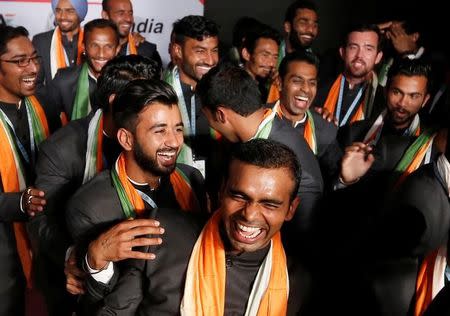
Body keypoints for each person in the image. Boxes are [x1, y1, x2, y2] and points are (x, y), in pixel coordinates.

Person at [81, 139, 309, 315]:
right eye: (238, 196)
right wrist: (95, 262)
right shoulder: (161, 234)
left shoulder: (295, 281)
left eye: (269, 204)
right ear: (221, 192)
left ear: (290, 209)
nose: (249, 214)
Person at [28, 54, 160, 316]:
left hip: (139, 269)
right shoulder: (61, 149)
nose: (154, 107)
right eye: (142, 100)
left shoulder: (157, 138)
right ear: (114, 102)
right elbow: (40, 219)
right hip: (75, 274)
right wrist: (73, 256)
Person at [65, 79, 207, 314]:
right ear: (126, 139)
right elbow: (89, 302)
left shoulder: (191, 179)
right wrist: (96, 260)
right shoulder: (89, 206)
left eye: (178, 129)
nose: (174, 142)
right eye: (160, 131)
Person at [196, 62, 323, 248]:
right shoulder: (249, 137)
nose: (208, 123)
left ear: (221, 115)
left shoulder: (299, 173)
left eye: (205, 115)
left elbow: (301, 242)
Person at [0, 25, 59, 316]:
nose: (33, 67)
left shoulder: (43, 103)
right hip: (4, 246)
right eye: (20, 61)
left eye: (34, 58)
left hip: (43, 233)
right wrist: (19, 202)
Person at [273, 50, 342, 186]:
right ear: (280, 83)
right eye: (297, 81)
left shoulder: (324, 129)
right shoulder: (259, 119)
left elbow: (336, 179)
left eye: (312, 83)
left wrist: (345, 178)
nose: (306, 89)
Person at [164, 15, 219, 169]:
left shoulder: (224, 94)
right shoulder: (159, 94)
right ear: (178, 51)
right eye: (200, 51)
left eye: (214, 51)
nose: (210, 60)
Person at [47, 18, 121, 122]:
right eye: (94, 46)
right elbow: (49, 121)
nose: (101, 54)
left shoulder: (127, 82)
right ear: (84, 47)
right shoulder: (63, 80)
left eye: (108, 47)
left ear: (117, 49)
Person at [314, 23, 384, 128]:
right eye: (353, 47)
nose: (359, 55)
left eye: (368, 49)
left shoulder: (382, 100)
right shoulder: (318, 87)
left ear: (378, 57)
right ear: (342, 52)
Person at [32, 0, 88, 86]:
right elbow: (35, 83)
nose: (62, 16)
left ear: (81, 14)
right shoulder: (41, 41)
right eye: (58, 10)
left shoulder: (90, 40)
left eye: (70, 11)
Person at [101, 0, 162, 70]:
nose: (128, 19)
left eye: (130, 13)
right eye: (121, 13)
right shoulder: (94, 52)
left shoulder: (147, 52)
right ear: (105, 16)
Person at [241, 25, 280, 101]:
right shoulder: (232, 88)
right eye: (265, 55)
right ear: (246, 54)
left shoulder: (262, 89)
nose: (271, 63)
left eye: (275, 57)